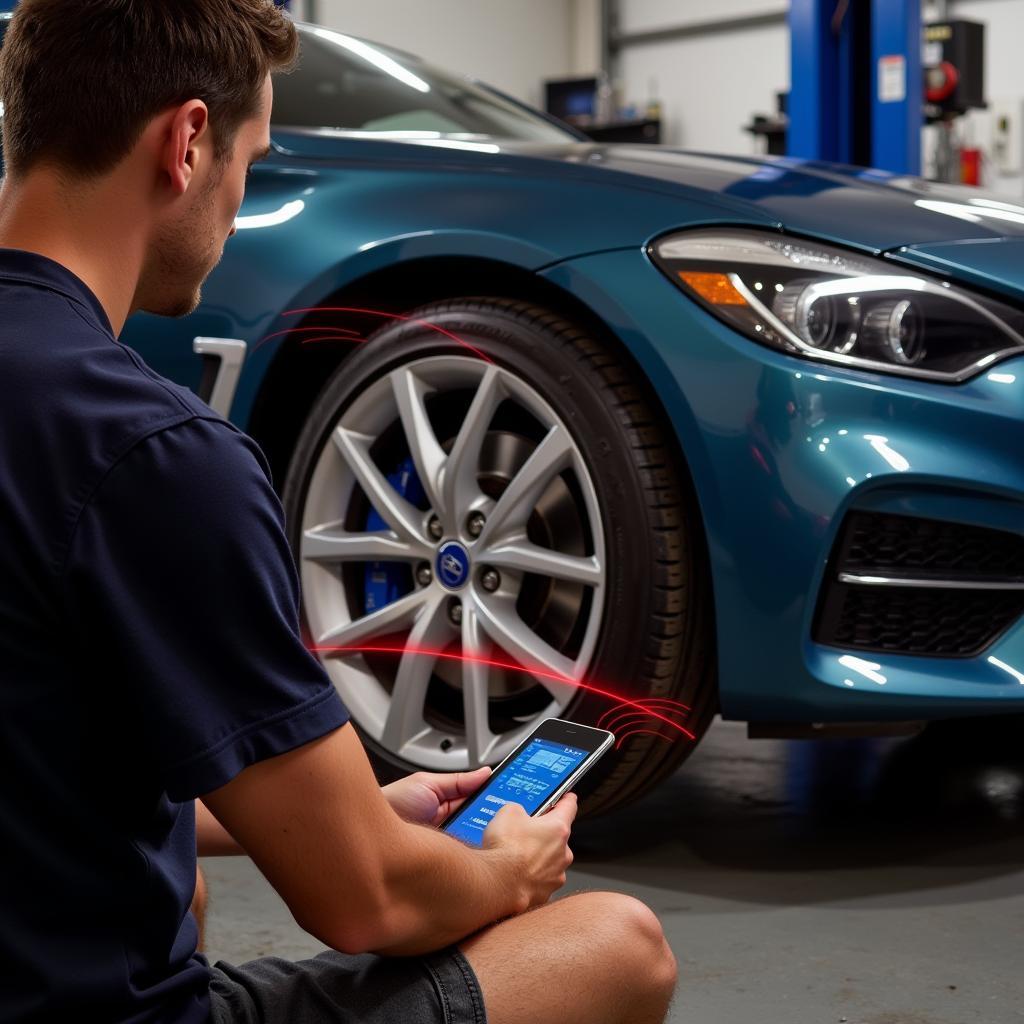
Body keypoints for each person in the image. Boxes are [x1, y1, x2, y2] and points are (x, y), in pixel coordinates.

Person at [0, 2, 679, 1022]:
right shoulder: (151, 452)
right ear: (187, 143)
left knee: (180, 868)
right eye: (251, 157)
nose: (241, 197)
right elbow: (365, 901)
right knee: (616, 948)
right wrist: (505, 866)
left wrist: (346, 812)